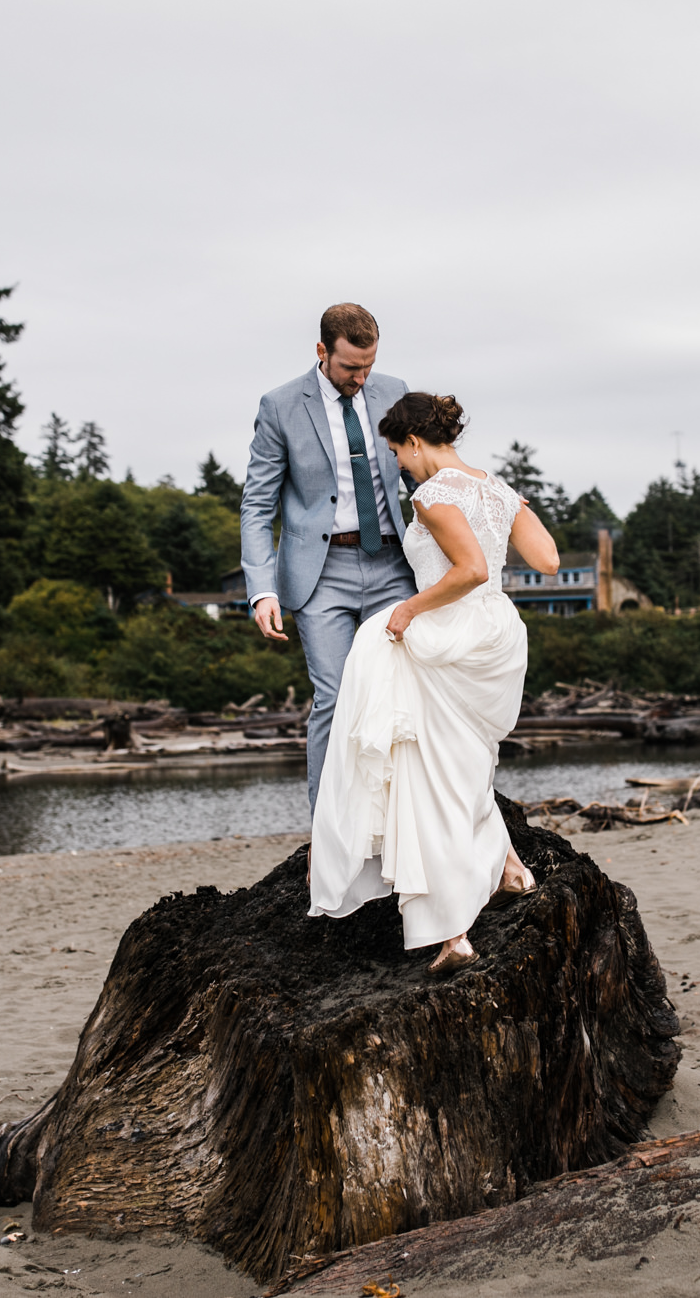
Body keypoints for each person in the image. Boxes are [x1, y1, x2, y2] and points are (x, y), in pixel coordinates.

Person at [307, 392, 561, 973]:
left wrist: (409, 609)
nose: (397, 463)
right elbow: (546, 559)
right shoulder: (495, 487)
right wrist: (512, 508)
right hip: (496, 631)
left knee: (429, 776)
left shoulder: (432, 494)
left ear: (414, 442)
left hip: (448, 634)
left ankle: (454, 935)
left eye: (396, 451)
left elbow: (469, 570)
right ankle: (511, 868)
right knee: (463, 766)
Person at [241, 304, 417, 815]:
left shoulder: (393, 390)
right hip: (320, 575)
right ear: (322, 352)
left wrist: (480, 497)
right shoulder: (279, 406)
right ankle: (329, 830)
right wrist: (262, 588)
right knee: (336, 700)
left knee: (405, 696)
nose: (361, 379)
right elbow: (257, 504)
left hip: (393, 567)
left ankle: (401, 819)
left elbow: (421, 475)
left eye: (368, 366)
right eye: (349, 369)